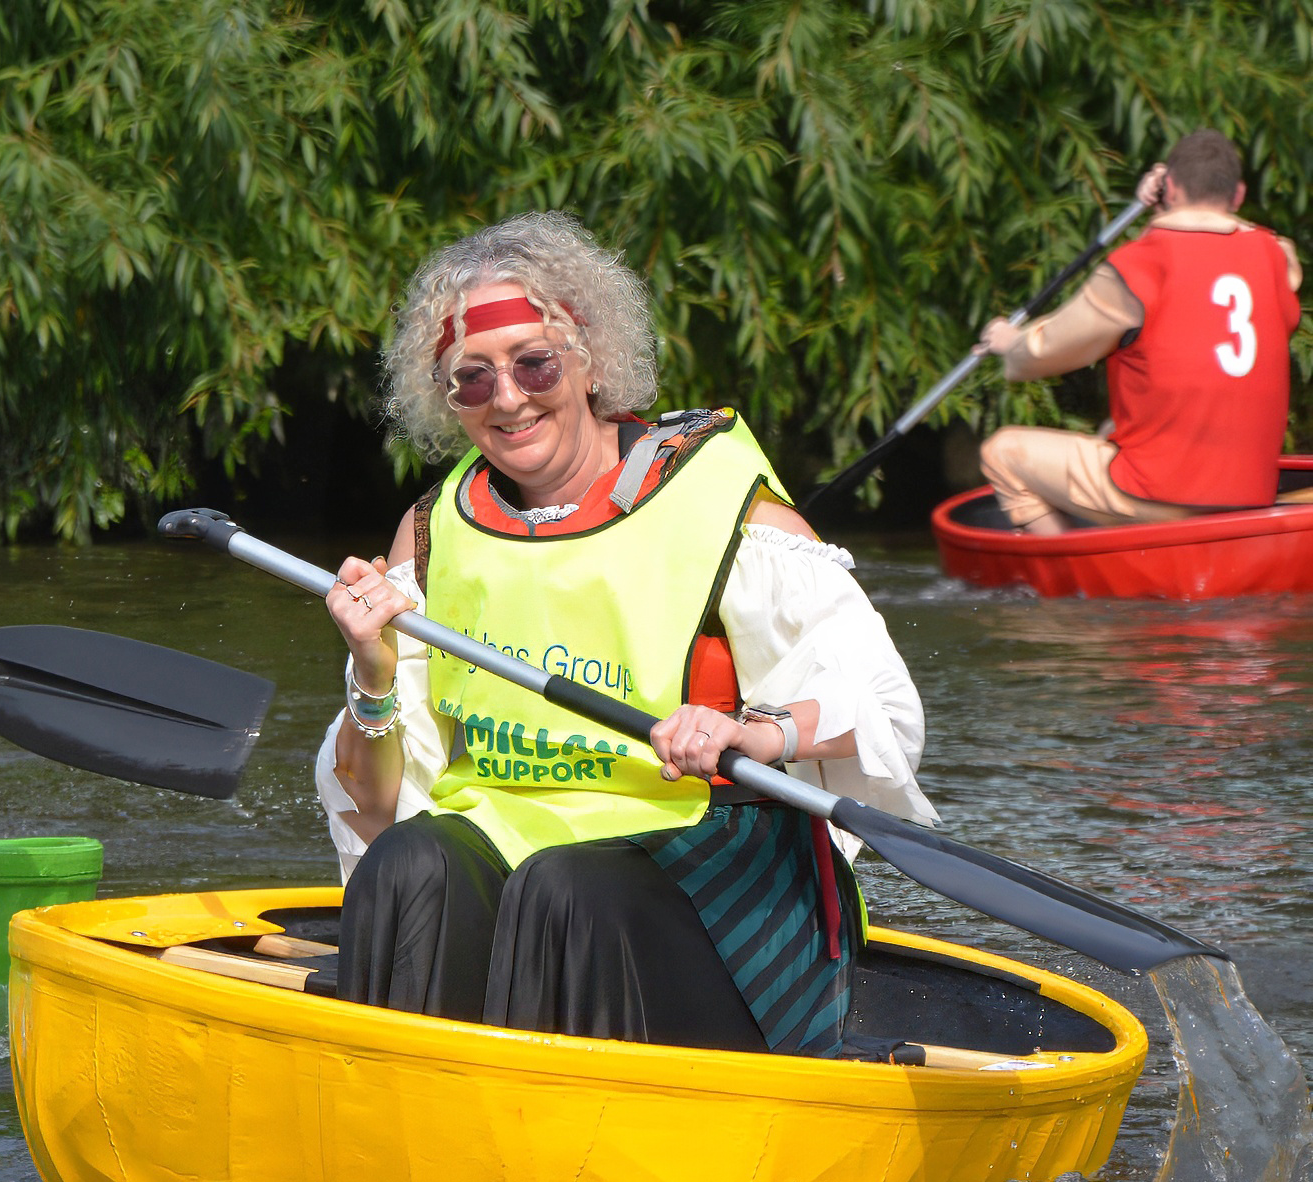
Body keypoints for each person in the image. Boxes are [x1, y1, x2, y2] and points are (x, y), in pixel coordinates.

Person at [312, 211, 935, 1057]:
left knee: (566, 891)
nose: (506, 398)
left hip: (704, 863)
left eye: (533, 362)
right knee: (409, 864)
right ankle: (412, 1107)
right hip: (515, 860)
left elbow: (884, 708)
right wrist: (373, 674)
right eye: (471, 379)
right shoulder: (431, 532)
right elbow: (378, 807)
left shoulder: (722, 500)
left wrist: (750, 729)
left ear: (590, 356)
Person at [980, 130, 1303, 535]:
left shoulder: (1137, 268)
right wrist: (1179, 210)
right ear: (1237, 196)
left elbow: (1045, 352)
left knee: (1002, 452)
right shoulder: (1275, 258)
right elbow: (1248, 238)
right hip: (1248, 490)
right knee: (1109, 433)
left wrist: (1011, 342)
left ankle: (1070, 589)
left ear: (1168, 187)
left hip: (1159, 493)